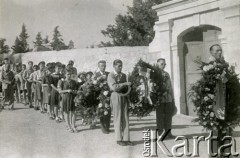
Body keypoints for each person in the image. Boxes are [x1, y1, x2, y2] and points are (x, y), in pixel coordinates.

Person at [107, 59, 133, 146]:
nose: (120, 67)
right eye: (118, 66)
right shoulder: (111, 75)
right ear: (114, 66)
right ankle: (118, 139)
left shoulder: (124, 75)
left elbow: (126, 87)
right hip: (116, 96)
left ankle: (126, 138)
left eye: (121, 66)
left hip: (124, 96)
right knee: (117, 117)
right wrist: (125, 84)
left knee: (125, 117)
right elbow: (114, 87)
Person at [156, 58, 175, 139]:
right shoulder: (155, 74)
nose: (163, 66)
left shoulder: (167, 74)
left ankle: (168, 133)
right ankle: (160, 134)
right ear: (157, 64)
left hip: (168, 98)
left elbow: (170, 86)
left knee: (168, 116)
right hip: (159, 99)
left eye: (164, 64)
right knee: (160, 117)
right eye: (161, 64)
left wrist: (172, 97)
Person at [93, 60, 111, 134]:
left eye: (104, 65)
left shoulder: (109, 74)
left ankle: (107, 127)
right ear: (99, 66)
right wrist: (98, 79)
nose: (103, 67)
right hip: (100, 96)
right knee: (101, 111)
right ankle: (103, 128)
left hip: (108, 95)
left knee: (108, 111)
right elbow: (94, 86)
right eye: (102, 66)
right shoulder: (96, 75)